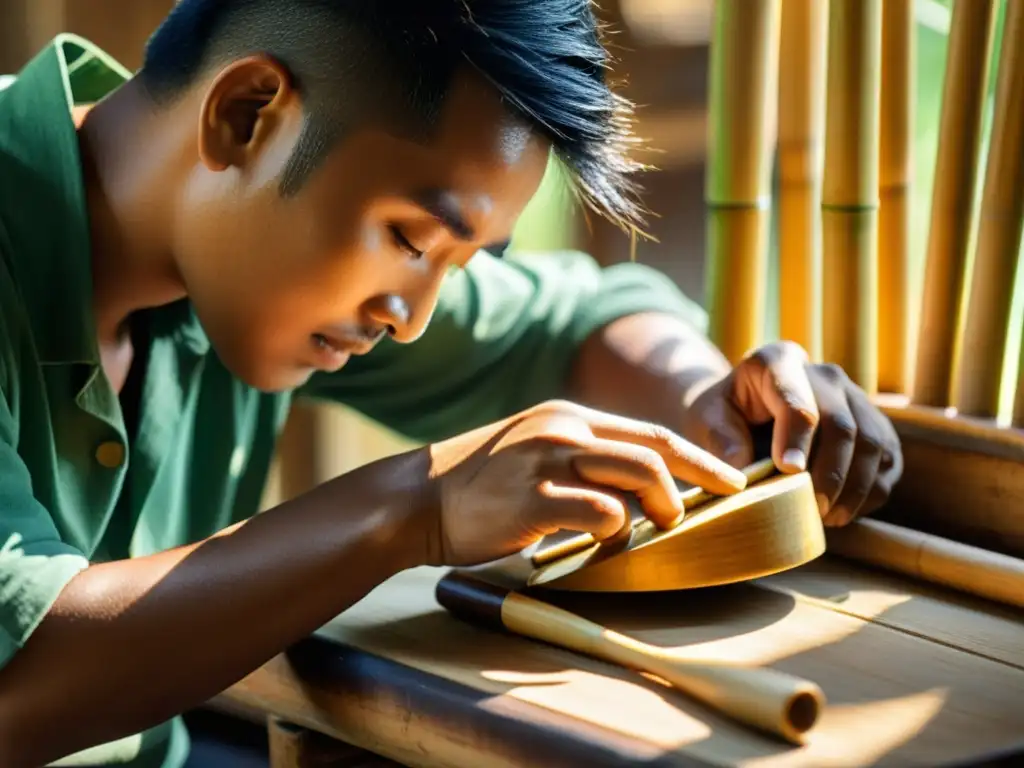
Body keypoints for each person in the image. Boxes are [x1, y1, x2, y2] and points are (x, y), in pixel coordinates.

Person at [0, 1, 902, 765]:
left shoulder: (242, 257)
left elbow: (571, 325)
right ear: (244, 114)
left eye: (457, 266)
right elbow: (20, 686)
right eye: (411, 242)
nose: (412, 317)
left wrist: (712, 395)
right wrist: (417, 507)